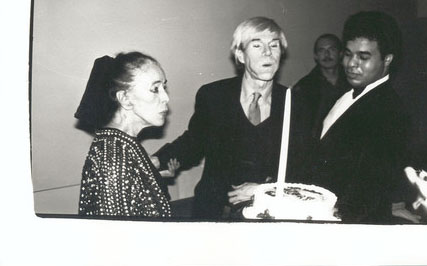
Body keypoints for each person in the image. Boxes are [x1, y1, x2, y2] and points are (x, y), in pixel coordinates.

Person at [154, 16, 288, 220]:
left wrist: (266, 189)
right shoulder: (214, 96)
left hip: (269, 215)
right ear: (241, 55)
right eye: (257, 45)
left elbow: (303, 165)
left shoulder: (296, 103)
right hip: (214, 212)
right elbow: (194, 142)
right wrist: (158, 161)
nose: (267, 52)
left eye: (274, 45)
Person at [302, 11, 411, 224]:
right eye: (348, 54)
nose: (351, 64)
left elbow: (368, 191)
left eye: (363, 57)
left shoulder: (390, 112)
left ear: (387, 59)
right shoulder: (346, 94)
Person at [75, 52, 178, 218]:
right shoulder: (114, 159)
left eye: (164, 88)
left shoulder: (121, 145)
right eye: (155, 89)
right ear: (125, 99)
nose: (165, 97)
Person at [292, 33, 350, 139]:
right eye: (321, 50)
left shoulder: (354, 81)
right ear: (316, 56)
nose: (327, 54)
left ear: (341, 53)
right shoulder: (305, 87)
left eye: (331, 49)